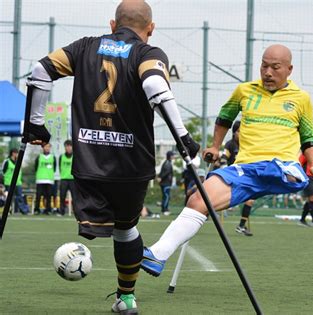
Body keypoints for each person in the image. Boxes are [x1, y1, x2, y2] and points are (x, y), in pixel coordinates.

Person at [25, 1, 199, 313]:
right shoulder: (148, 53)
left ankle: (120, 290)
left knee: (108, 225)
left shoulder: (84, 48)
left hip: (90, 161)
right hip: (132, 165)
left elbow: (40, 71)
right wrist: (183, 137)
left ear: (112, 24)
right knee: (127, 229)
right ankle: (126, 298)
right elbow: (155, 84)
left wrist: (35, 124)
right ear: (150, 29)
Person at [142, 44, 313, 277]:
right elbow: (224, 118)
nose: (268, 72)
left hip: (283, 168)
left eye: (275, 67)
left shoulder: (301, 98)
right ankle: (157, 254)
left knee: (285, 173)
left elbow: (309, 138)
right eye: (264, 65)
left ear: (289, 69)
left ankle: (280, 177)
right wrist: (215, 146)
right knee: (198, 198)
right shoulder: (244, 91)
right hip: (245, 169)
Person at [221, 120, 254, 236]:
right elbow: (224, 156)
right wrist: (223, 163)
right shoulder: (230, 144)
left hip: (245, 176)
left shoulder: (247, 145)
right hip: (233, 175)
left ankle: (241, 226)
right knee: (222, 201)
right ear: (234, 132)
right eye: (240, 131)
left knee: (250, 201)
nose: (242, 134)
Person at [2, 148, 29, 214]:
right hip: (9, 183)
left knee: (20, 197)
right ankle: (8, 210)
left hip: (18, 183)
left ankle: (24, 211)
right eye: (16, 153)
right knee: (9, 198)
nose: (17, 154)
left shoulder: (19, 162)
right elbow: (3, 171)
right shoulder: (7, 161)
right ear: (13, 153)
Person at [34, 143, 56, 215]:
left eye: (48, 147)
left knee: (49, 196)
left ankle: (48, 210)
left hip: (49, 180)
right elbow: (35, 167)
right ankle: (36, 210)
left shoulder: (53, 157)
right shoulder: (39, 157)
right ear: (43, 148)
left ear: (50, 148)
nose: (47, 148)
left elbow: (54, 168)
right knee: (38, 196)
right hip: (40, 180)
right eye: (45, 147)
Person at [58, 140, 75, 216]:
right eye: (66, 146)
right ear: (65, 147)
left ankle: (76, 212)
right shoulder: (61, 157)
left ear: (72, 147)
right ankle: (62, 211)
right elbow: (59, 167)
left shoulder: (75, 156)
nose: (68, 148)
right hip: (64, 179)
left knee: (75, 197)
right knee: (62, 196)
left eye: (69, 146)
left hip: (73, 179)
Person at [158, 151, 175, 216]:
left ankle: (164, 209)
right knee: (166, 196)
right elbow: (166, 172)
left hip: (165, 183)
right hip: (166, 183)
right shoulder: (167, 163)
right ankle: (165, 210)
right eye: (173, 155)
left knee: (165, 196)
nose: (173, 156)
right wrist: (161, 177)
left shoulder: (167, 162)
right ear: (170, 156)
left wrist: (160, 177)